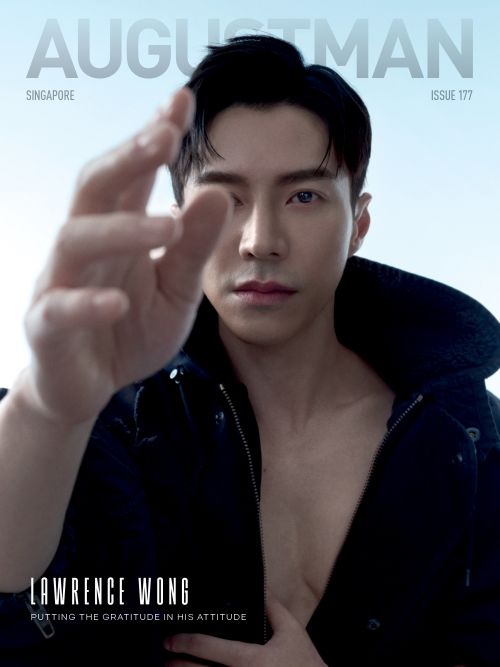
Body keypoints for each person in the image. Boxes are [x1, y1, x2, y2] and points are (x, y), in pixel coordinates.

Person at [0, 35, 499, 667]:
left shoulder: (469, 442)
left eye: (304, 196)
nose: (261, 240)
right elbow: (19, 607)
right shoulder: (123, 421)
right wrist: (45, 409)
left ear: (359, 224)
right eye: (224, 200)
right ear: (179, 221)